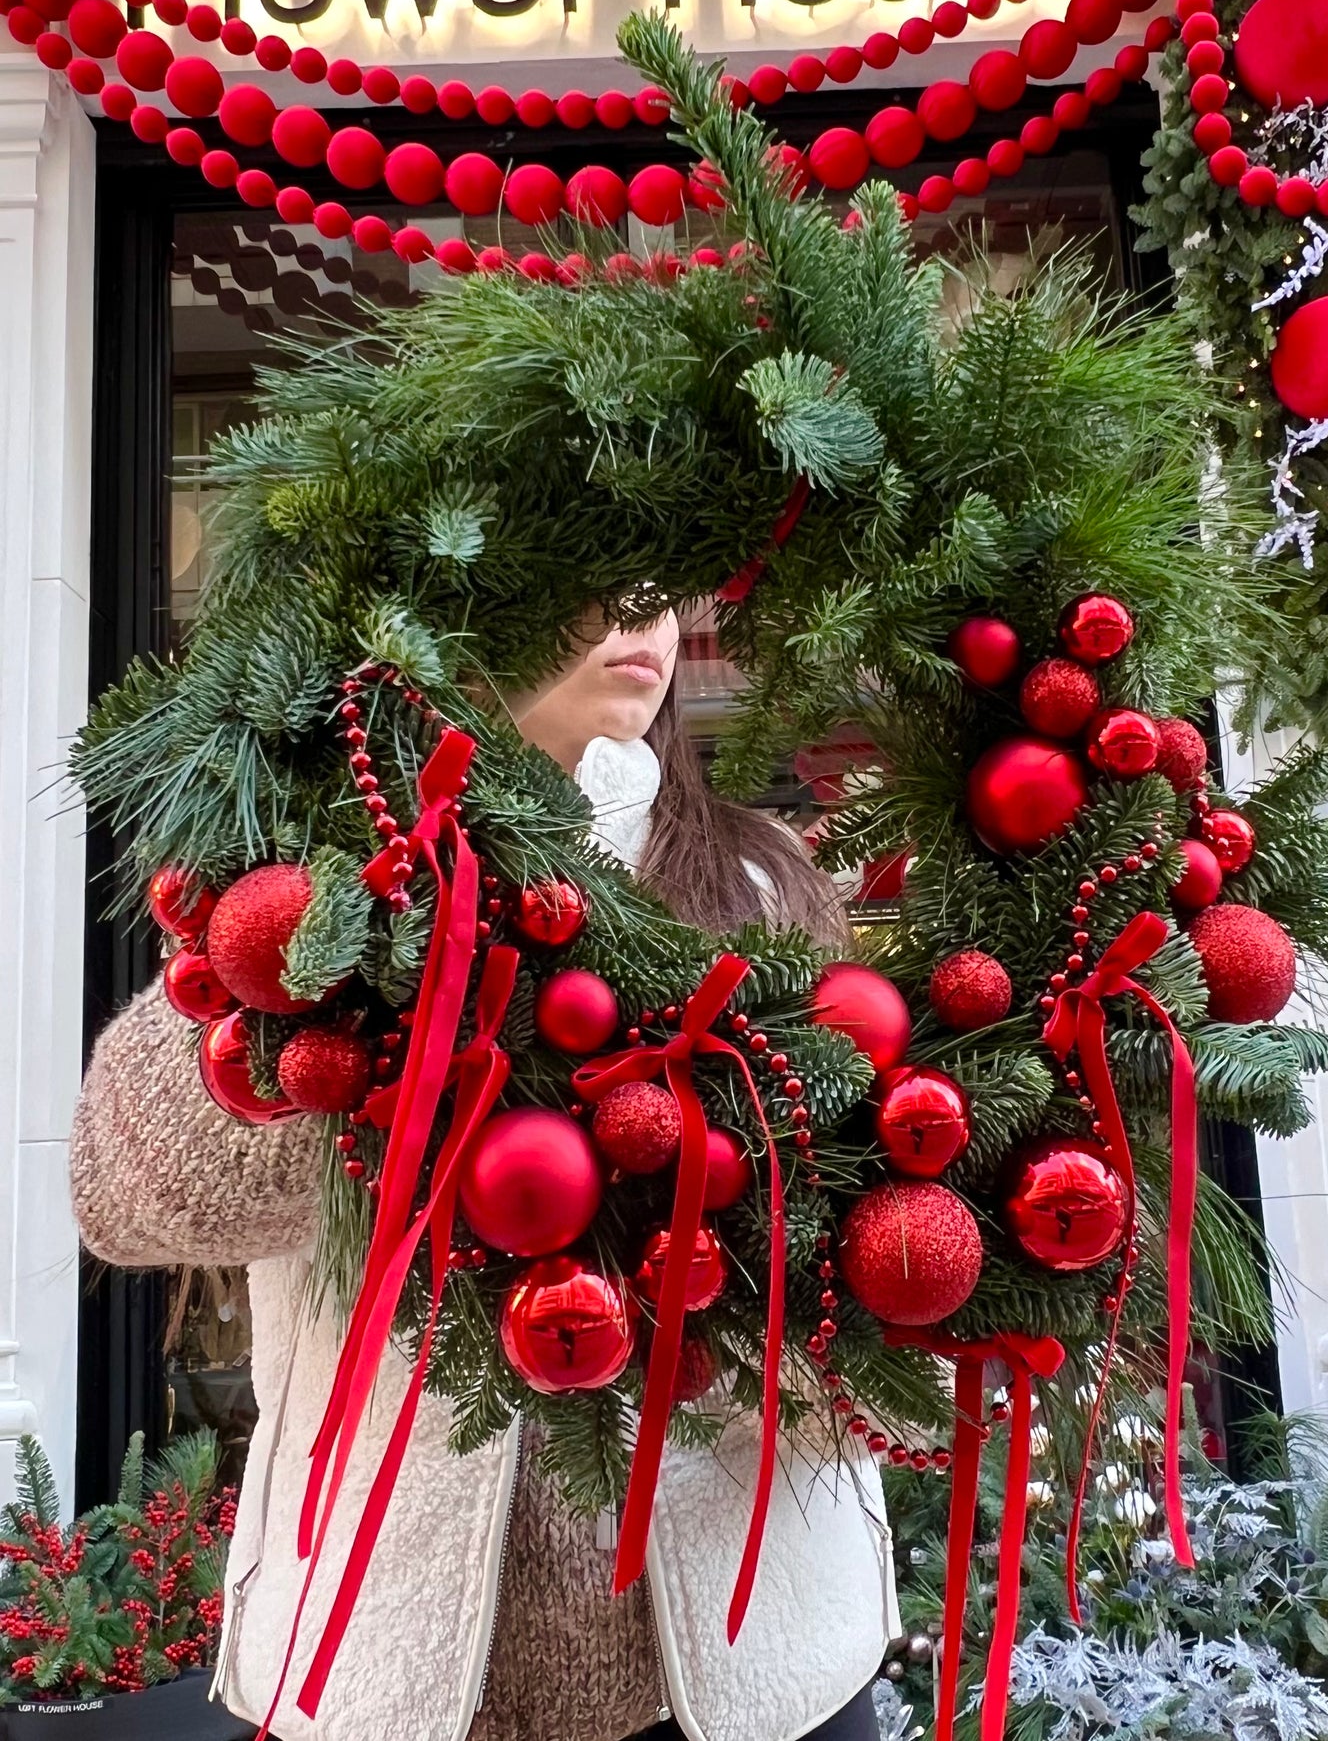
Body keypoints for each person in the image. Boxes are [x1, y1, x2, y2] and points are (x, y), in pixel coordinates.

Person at [70, 607, 900, 1741]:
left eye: (660, 584)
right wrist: (375, 966)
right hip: (393, 1669)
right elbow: (130, 1191)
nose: (638, 619)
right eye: (594, 567)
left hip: (759, 1661)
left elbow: (856, 1239)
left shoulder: (758, 880)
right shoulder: (322, 877)